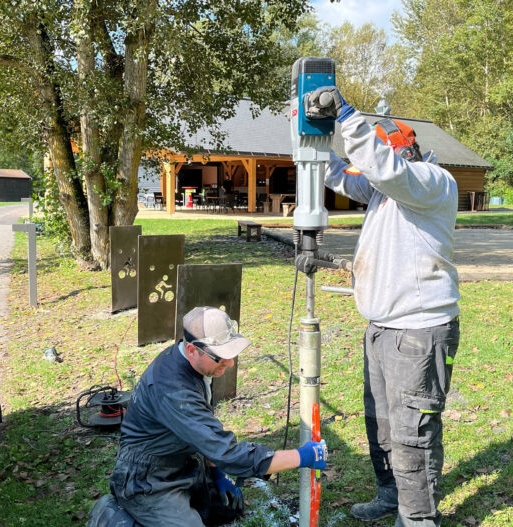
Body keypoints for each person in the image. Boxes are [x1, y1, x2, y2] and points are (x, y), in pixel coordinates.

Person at [306, 87, 461, 527]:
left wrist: (348, 116)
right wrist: (310, 135)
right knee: (383, 424)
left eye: (377, 157)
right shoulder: (384, 190)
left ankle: (417, 518)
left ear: (399, 151)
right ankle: (390, 496)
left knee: (412, 431)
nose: (369, 170)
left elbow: (381, 169)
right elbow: (339, 175)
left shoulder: (433, 182)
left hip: (419, 329)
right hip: (381, 327)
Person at [88, 306, 328, 527]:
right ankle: (111, 516)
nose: (230, 363)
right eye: (220, 356)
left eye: (231, 353)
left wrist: (216, 473)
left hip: (182, 459)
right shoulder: (175, 391)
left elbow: (206, 432)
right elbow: (230, 454)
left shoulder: (192, 364)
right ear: (192, 349)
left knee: (228, 508)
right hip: (147, 478)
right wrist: (303, 456)